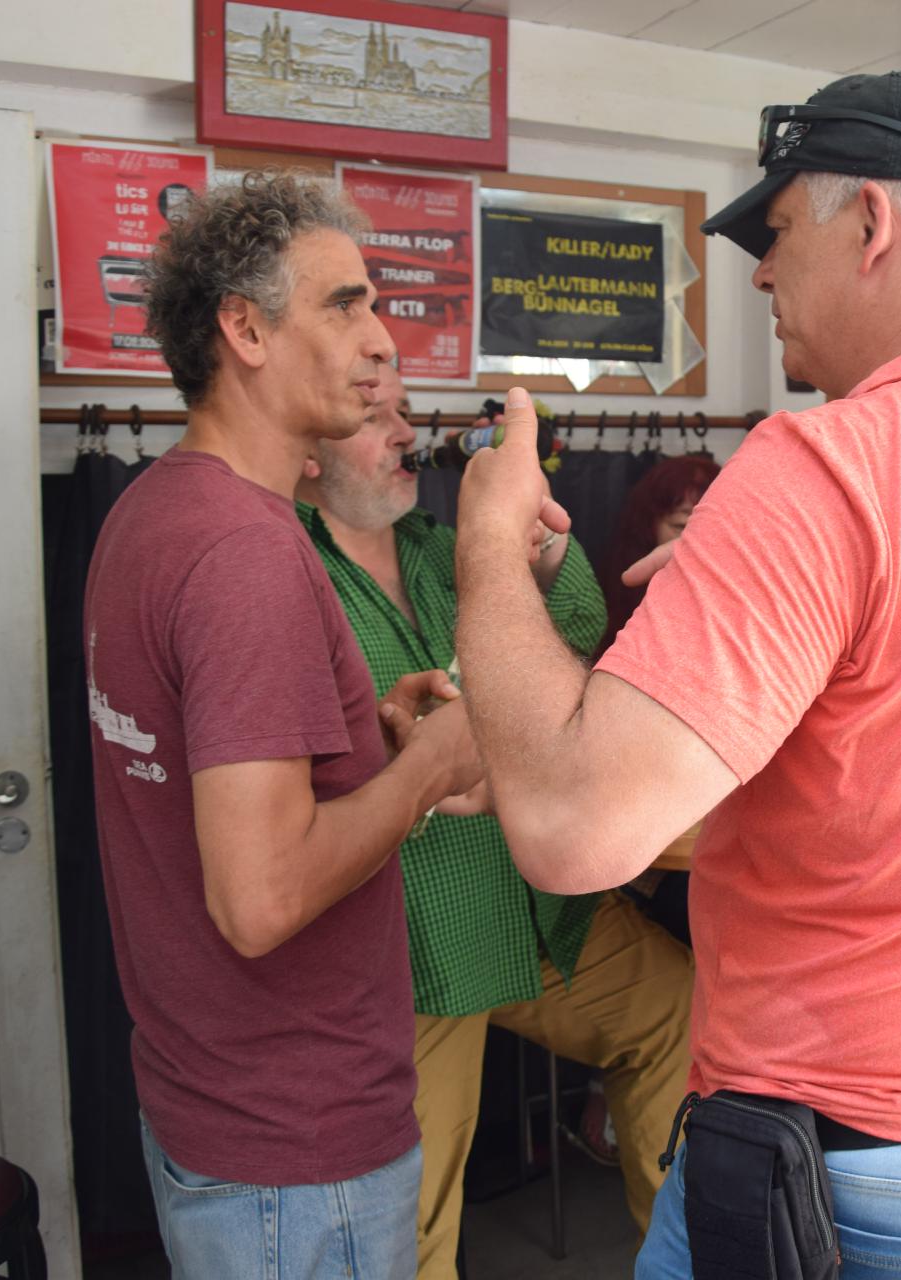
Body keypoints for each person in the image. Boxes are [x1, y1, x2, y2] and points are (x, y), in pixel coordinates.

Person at [438, 71, 901, 1278]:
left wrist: (484, 539)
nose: (760, 275)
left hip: (860, 1165)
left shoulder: (823, 464)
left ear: (872, 222)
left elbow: (575, 833)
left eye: (779, 231)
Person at [83, 172, 482, 1280]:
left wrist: (366, 753)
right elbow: (259, 901)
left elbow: (213, 781)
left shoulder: (156, 511)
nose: (381, 337)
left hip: (214, 1105)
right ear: (245, 331)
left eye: (375, 304)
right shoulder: (245, 554)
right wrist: (431, 768)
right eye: (344, 305)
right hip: (297, 1151)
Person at [293, 363, 695, 1279]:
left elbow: (579, 627)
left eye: (407, 415)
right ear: (310, 450)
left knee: (677, 1010)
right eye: (377, 419)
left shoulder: (441, 545)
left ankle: (678, 1260)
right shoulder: (289, 568)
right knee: (412, 1208)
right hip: (419, 948)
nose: (407, 435)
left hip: (534, 908)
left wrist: (538, 556)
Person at [595, 453, 721, 658]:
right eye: (680, 526)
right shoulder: (620, 584)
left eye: (705, 528)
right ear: (649, 526)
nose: (691, 541)